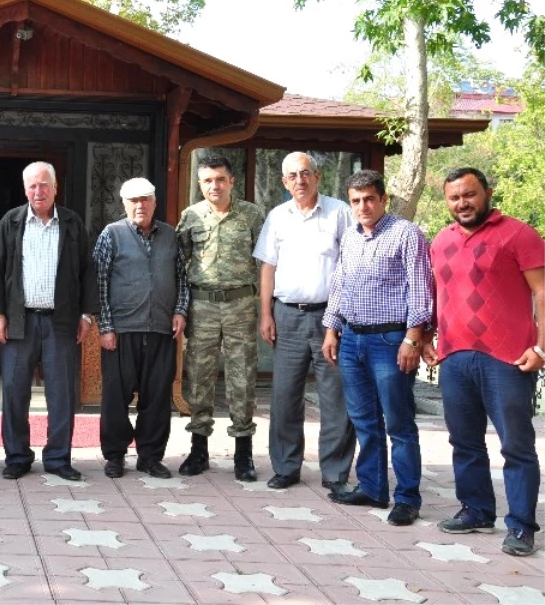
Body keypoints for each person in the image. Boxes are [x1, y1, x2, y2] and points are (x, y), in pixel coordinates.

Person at [427, 167, 545, 556]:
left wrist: (542, 348)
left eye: (469, 195)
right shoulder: (441, 240)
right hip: (455, 357)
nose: (462, 203)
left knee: (516, 445)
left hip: (507, 359)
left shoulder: (519, 234)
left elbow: (543, 293)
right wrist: (427, 336)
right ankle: (476, 510)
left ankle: (522, 526)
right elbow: (438, 294)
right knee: (464, 442)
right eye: (454, 197)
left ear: (487, 193)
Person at [322, 169, 432, 527]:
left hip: (391, 341)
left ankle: (407, 498)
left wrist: (413, 338)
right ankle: (371, 487)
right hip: (352, 339)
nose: (363, 206)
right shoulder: (351, 238)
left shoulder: (406, 234)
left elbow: (420, 289)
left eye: (370, 198)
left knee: (399, 423)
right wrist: (331, 330)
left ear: (383, 199)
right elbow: (340, 285)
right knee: (364, 420)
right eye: (356, 200)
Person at [0, 161, 97, 482]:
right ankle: (17, 456)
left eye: (45, 184)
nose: (39, 191)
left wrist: (87, 315)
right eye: (33, 186)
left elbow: (86, 272)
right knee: (14, 390)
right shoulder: (11, 222)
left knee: (61, 393)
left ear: (55, 187)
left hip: (61, 322)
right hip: (19, 322)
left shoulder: (72, 224)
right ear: (25, 190)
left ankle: (59, 457)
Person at [254, 152, 356, 493]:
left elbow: (351, 266)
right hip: (287, 315)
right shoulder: (277, 217)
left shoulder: (340, 211)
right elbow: (267, 267)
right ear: (284, 182)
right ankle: (286, 467)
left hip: (331, 316)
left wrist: (339, 319)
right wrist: (266, 314)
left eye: (306, 174)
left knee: (335, 397)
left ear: (317, 177)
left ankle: (336, 472)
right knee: (284, 395)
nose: (300, 180)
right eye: (293, 176)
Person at [176, 155, 265, 481]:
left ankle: (244, 453)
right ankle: (198, 449)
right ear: (201, 184)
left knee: (243, 379)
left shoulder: (252, 215)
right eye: (207, 181)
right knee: (199, 377)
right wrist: (179, 309)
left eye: (219, 179)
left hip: (241, 304)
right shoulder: (191, 216)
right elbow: (178, 265)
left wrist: (267, 309)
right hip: (202, 306)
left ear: (231, 181)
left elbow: (267, 264)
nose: (214, 186)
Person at [94, 177, 189, 479]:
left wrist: (180, 310)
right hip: (121, 331)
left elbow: (183, 278)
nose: (140, 205)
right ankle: (115, 455)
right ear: (124, 204)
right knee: (115, 397)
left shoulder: (170, 236)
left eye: (145, 199)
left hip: (162, 329)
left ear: (155, 202)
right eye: (134, 200)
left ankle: (150, 456)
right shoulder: (112, 234)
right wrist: (106, 326)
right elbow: (99, 282)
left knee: (158, 397)